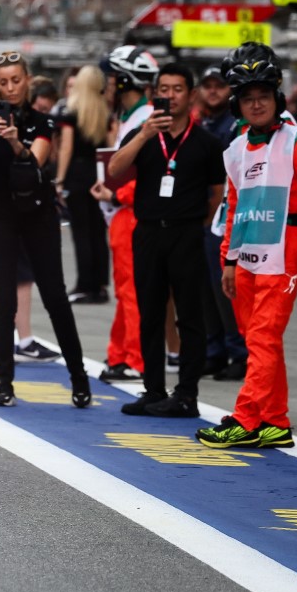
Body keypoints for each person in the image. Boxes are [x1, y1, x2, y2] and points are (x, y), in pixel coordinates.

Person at [198, 44, 297, 449]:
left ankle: (245, 418)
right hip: (247, 252)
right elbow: (235, 206)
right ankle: (274, 421)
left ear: (277, 98)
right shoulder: (236, 147)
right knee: (258, 335)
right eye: (248, 99)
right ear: (238, 104)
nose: (256, 105)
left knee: (262, 336)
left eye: (263, 97)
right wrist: (228, 261)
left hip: (288, 246)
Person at [0, 51, 90, 409]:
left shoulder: (41, 120)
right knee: (4, 300)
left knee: (55, 296)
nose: (10, 87)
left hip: (37, 214)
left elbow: (38, 162)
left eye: (16, 80)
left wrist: (16, 141)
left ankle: (79, 378)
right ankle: (4, 383)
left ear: (28, 80)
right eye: (3, 81)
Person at [107, 63, 223, 417]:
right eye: (164, 89)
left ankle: (186, 394)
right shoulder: (145, 133)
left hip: (187, 232)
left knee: (190, 316)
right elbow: (114, 170)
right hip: (147, 232)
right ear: (155, 92)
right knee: (150, 313)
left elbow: (216, 194)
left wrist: (194, 222)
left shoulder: (206, 142)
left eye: (177, 89)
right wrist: (142, 135)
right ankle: (152, 390)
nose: (170, 96)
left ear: (191, 95)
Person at [90, 44, 160, 383]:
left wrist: (116, 192)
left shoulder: (145, 120)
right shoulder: (131, 118)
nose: (107, 83)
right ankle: (120, 354)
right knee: (125, 289)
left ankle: (136, 359)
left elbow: (151, 174)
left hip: (133, 213)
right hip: (123, 213)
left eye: (111, 77)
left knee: (133, 290)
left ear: (124, 81)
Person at [195, 66, 249, 380]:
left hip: (225, 215)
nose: (213, 90)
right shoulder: (205, 122)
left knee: (225, 289)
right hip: (206, 217)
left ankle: (238, 353)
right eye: (208, 85)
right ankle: (214, 350)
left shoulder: (235, 125)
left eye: (219, 86)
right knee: (207, 290)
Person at [55, 64, 111, 303]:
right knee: (98, 232)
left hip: (77, 174)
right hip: (98, 173)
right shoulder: (105, 113)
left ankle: (84, 284)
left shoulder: (71, 111)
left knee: (81, 232)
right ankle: (99, 285)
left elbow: (66, 148)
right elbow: (110, 147)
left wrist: (59, 180)